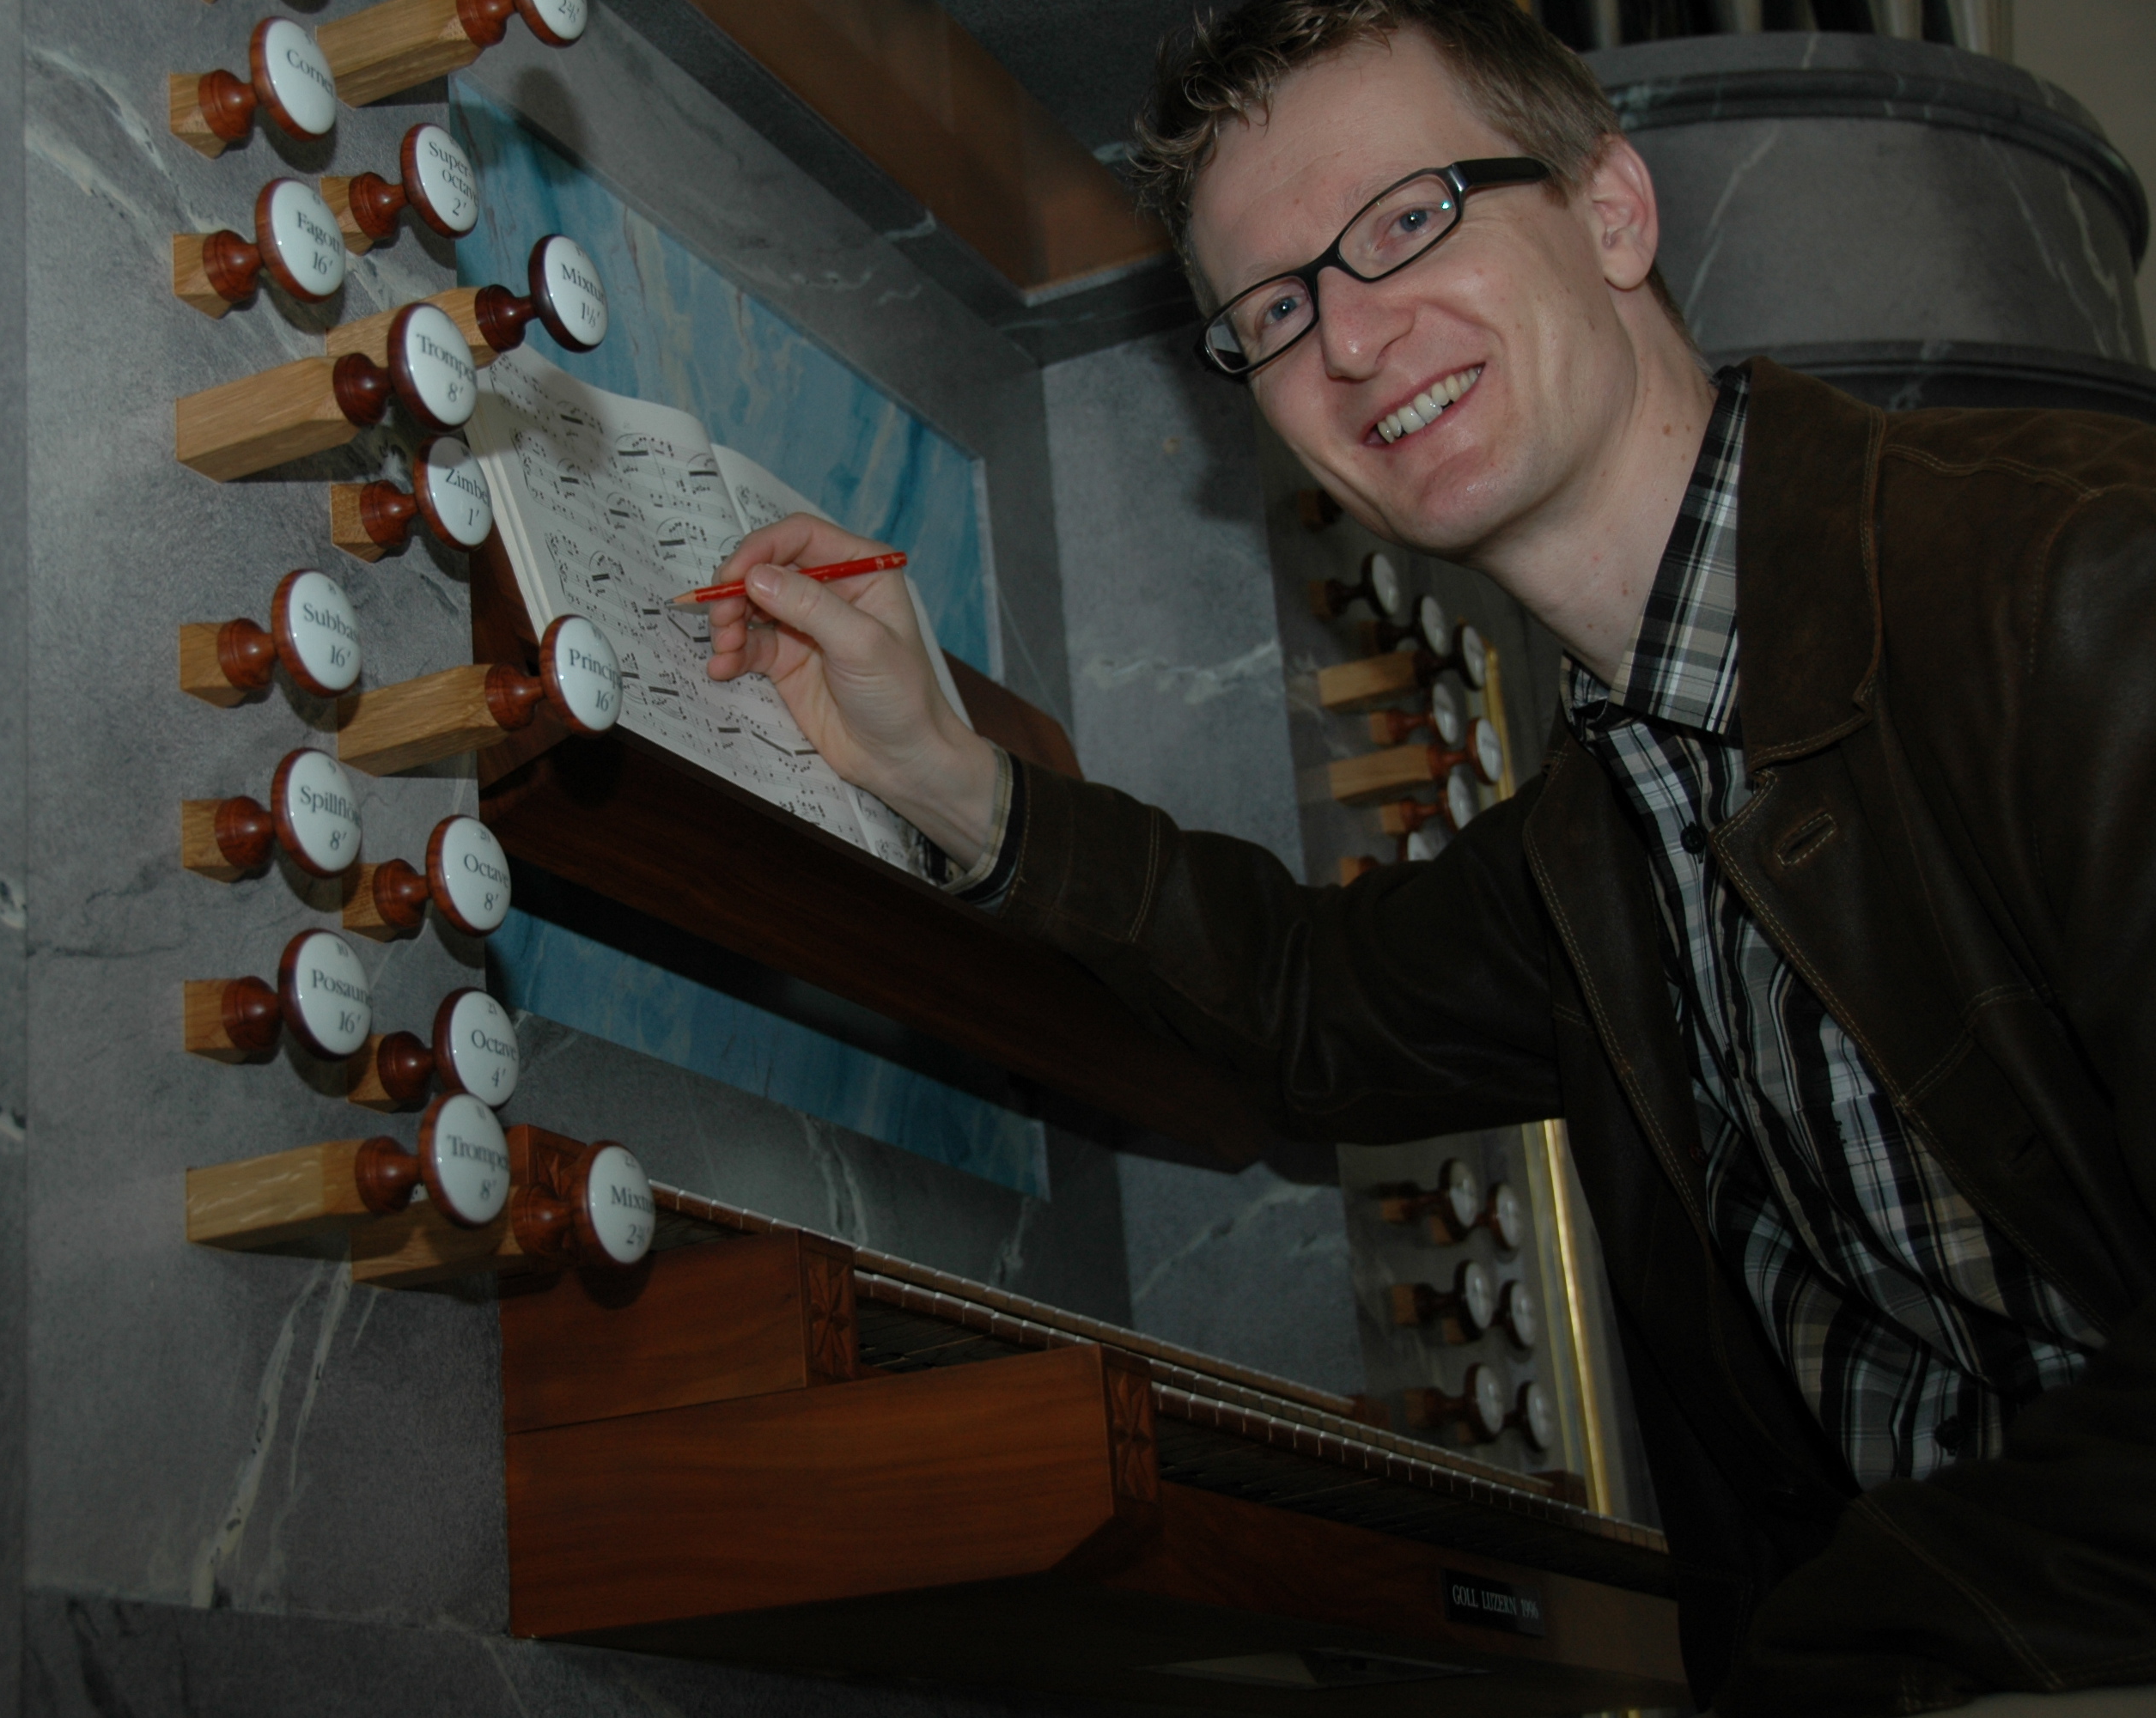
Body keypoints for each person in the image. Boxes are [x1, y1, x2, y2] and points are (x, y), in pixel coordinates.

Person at [694, 2, 2156, 1712]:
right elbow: (1316, 1011)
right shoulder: (1617, 796)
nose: (1353, 338)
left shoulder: (2082, 583)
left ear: (1612, 209)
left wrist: (1822, 1661)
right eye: (1273, 309)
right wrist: (945, 772)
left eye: (1405, 220)